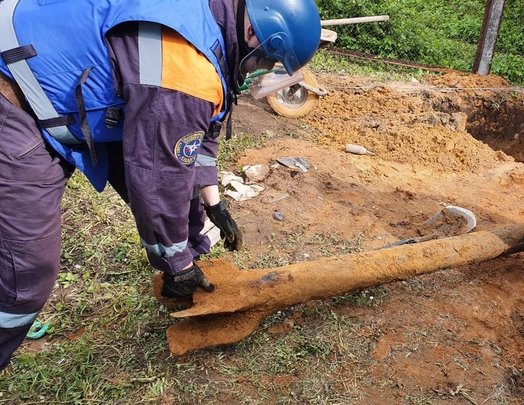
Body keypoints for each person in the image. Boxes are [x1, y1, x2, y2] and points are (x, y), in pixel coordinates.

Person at [0, 0, 321, 369]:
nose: (260, 70)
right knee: (24, 274)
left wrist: (214, 203)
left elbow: (197, 140)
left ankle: (183, 262)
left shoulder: (207, 21)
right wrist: (177, 265)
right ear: (254, 34)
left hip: (46, 84)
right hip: (13, 95)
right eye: (266, 61)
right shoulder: (184, 66)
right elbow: (159, 177)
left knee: (176, 186)